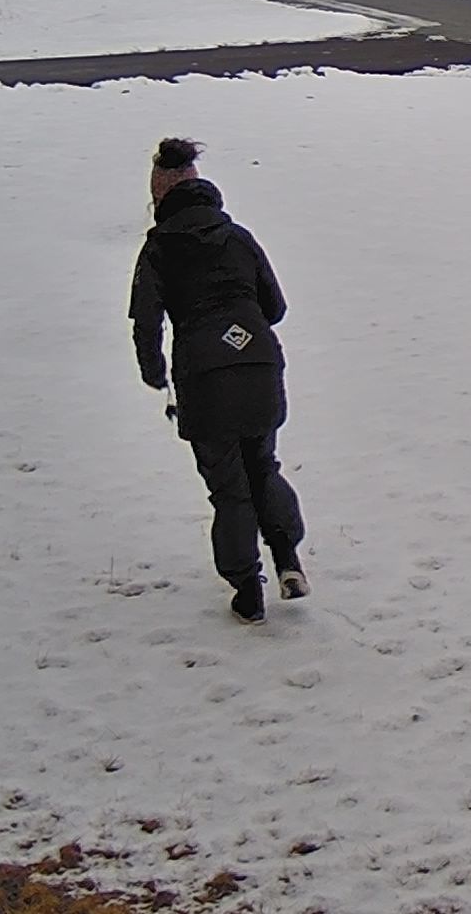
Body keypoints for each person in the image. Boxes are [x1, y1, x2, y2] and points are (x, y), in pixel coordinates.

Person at [130, 137, 309, 625]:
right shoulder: (238, 237)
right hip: (257, 365)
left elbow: (146, 321)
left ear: (161, 197)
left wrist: (154, 373)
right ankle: (289, 561)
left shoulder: (159, 248)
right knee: (263, 466)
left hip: (204, 378)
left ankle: (248, 590)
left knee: (229, 487)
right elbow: (275, 307)